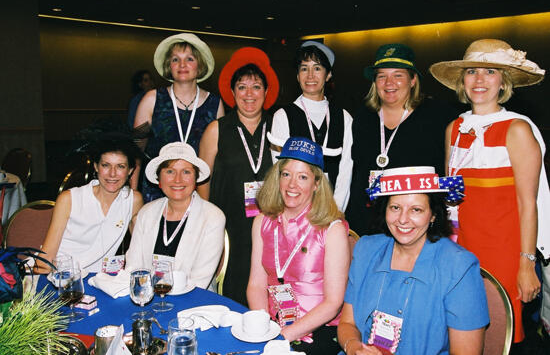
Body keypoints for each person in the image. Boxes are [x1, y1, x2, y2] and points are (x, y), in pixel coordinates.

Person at [430, 38, 549, 346]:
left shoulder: (517, 129)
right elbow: (450, 199)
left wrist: (526, 263)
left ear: (503, 82)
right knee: (458, 336)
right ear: (462, 81)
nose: (479, 79)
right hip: (459, 249)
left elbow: (528, 204)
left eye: (490, 71)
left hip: (504, 254)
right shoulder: (452, 128)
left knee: (498, 338)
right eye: (471, 71)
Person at [338, 166, 489, 355]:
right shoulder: (366, 250)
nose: (403, 219)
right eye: (395, 207)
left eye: (416, 210)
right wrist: (353, 347)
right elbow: (347, 323)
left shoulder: (459, 267)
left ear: (433, 214)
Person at [247, 137, 350, 354]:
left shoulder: (333, 230)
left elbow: (333, 303)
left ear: (316, 184)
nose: (292, 185)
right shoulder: (261, 222)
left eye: (302, 177)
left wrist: (284, 336)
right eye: (286, 175)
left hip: (319, 328)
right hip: (272, 322)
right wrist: (264, 327)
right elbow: (256, 284)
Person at [346, 43, 458, 236]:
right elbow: (357, 175)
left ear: (413, 80)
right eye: (382, 76)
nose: (389, 83)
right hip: (367, 225)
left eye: (398, 75)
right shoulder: (363, 117)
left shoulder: (438, 116)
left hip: (415, 227)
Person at [198, 47, 279, 304]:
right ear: (232, 93)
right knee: (232, 289)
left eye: (256, 86)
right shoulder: (217, 130)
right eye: (242, 87)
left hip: (270, 225)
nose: (249, 94)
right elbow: (202, 182)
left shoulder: (278, 127)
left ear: (266, 92)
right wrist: (210, 227)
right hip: (229, 226)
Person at [132, 33, 224, 203]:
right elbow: (136, 152)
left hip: (198, 191)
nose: (182, 64)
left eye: (189, 59)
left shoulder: (215, 103)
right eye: (175, 59)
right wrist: (132, 194)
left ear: (200, 65)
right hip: (157, 190)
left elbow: (218, 158)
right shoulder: (152, 99)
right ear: (169, 65)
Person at [125, 142, 225, 291]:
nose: (177, 180)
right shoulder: (147, 213)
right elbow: (133, 268)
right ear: (159, 179)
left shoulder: (213, 217)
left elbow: (199, 281)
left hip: (193, 301)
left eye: (186, 172)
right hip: (147, 298)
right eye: (170, 171)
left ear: (195, 179)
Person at [36, 136, 144, 273]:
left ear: (130, 171)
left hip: (98, 280)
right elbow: (46, 258)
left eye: (120, 166)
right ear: (96, 166)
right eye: (106, 165)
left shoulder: (133, 200)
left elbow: (140, 248)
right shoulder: (70, 198)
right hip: (61, 275)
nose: (112, 173)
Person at [269, 41, 353, 212]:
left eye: (317, 68)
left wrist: (334, 213)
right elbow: (281, 172)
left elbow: (346, 171)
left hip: (333, 212)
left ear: (328, 74)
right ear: (297, 76)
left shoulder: (344, 117)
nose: (310, 76)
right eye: (304, 68)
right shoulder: (283, 116)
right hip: (295, 210)